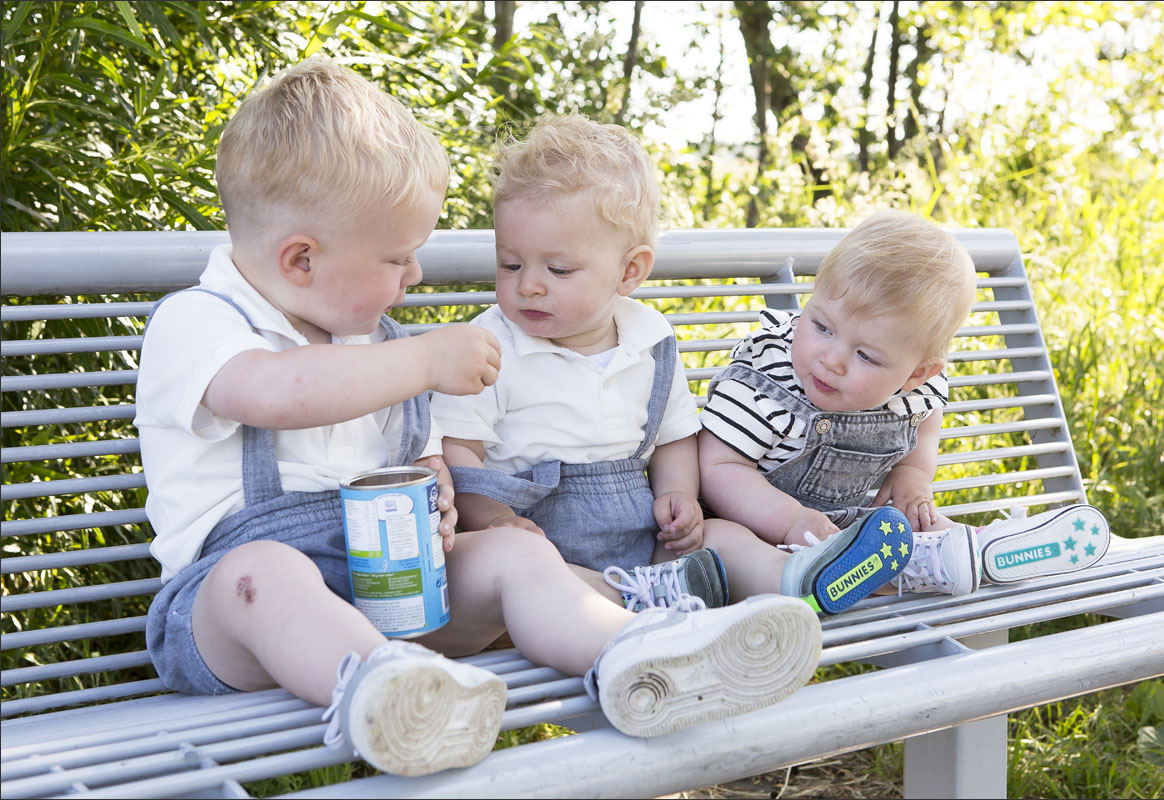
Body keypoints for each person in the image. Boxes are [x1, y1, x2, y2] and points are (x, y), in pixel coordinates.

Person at [134, 59, 822, 780]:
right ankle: (385, 693)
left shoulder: (375, 345)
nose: (415, 278)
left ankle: (636, 657)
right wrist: (428, 363)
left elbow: (419, 449)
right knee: (265, 572)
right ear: (301, 260)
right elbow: (271, 393)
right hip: (231, 620)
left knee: (517, 557)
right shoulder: (199, 322)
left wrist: (438, 494)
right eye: (398, 258)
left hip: (394, 591)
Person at [430, 114, 915, 618]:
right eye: (510, 264)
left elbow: (674, 437)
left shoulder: (649, 338)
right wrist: (495, 521)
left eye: (557, 269)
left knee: (720, 536)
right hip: (538, 540)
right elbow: (458, 450)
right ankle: (640, 604)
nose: (528, 284)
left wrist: (678, 494)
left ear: (630, 271)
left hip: (643, 537)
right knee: (532, 567)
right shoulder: (486, 346)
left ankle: (796, 580)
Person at [698, 210, 1111, 605]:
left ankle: (980, 551)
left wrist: (912, 473)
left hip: (854, 532)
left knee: (916, 527)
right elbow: (717, 468)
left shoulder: (915, 391)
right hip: (748, 523)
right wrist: (790, 520)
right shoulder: (768, 379)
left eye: (866, 356)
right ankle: (807, 576)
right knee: (716, 540)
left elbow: (927, 418)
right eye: (822, 326)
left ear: (917, 373)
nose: (831, 359)